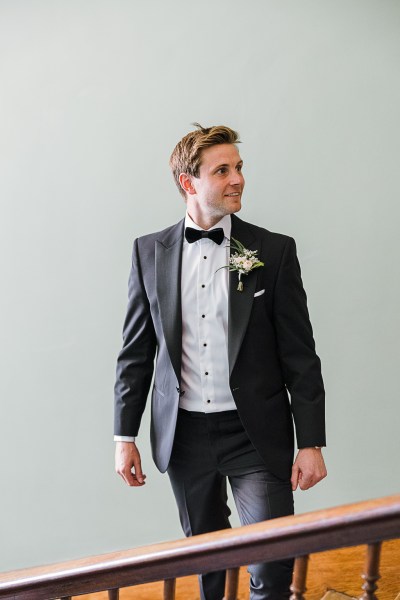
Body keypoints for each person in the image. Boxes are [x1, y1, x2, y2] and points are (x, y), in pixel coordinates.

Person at [114, 124, 327, 600]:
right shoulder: (149, 252)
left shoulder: (272, 251)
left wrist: (311, 441)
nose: (238, 180)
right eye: (223, 170)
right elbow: (135, 353)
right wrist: (123, 436)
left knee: (271, 565)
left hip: (255, 433)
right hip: (184, 437)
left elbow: (300, 354)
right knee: (212, 566)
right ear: (189, 183)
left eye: (239, 168)